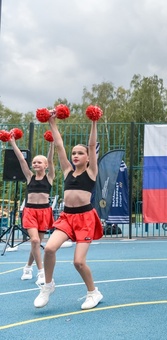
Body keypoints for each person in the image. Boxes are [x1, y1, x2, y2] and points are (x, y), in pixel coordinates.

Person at [34, 113, 103, 310]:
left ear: (88, 157)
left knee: (78, 262)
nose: (75, 155)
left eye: (80, 153)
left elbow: (91, 145)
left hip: (85, 218)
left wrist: (94, 121)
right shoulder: (67, 171)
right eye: (74, 153)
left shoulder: (91, 172)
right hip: (67, 217)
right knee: (48, 248)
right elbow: (59, 145)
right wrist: (51, 121)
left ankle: (93, 292)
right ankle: (48, 285)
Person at [9, 135, 55, 286]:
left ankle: (28, 267)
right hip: (30, 211)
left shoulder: (49, 177)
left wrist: (51, 145)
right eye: (34, 162)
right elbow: (22, 160)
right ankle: (41, 272)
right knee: (34, 241)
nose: (35, 164)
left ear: (46, 165)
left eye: (39, 162)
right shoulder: (29, 177)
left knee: (35, 244)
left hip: (44, 212)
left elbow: (51, 159)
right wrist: (13, 143)